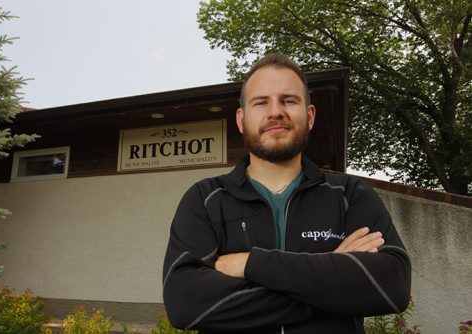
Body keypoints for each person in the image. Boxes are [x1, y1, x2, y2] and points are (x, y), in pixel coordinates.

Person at [162, 53, 411, 333]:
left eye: (289, 100)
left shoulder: (350, 194)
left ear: (310, 115)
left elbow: (392, 286)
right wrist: (332, 279)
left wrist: (250, 263)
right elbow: (184, 303)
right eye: (261, 102)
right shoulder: (205, 199)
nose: (275, 111)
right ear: (242, 120)